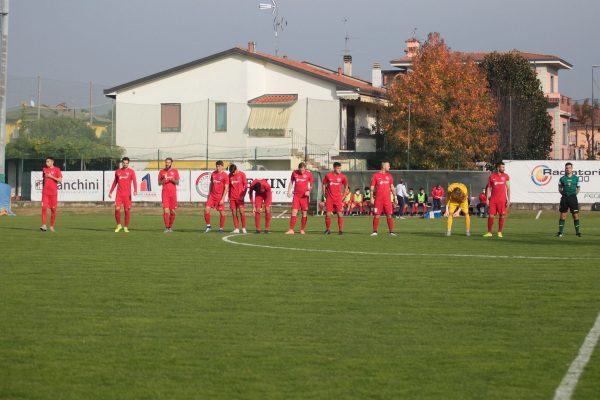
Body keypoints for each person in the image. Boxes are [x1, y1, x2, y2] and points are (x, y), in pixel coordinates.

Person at [108, 157, 138, 233]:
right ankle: (119, 225)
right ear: (122, 163)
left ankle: (126, 227)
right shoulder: (118, 171)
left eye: (126, 163)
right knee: (117, 209)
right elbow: (115, 182)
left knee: (127, 211)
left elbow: (134, 181)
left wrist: (135, 190)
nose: (125, 164)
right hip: (119, 195)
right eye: (124, 163)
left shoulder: (131, 172)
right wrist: (111, 191)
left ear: (128, 163)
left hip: (127, 195)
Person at [484, 162, 511, 238]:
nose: (504, 168)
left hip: (502, 200)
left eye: (504, 167)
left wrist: (509, 200)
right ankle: (489, 232)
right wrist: (487, 199)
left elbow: (508, 189)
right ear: (498, 168)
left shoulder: (506, 176)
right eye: (502, 167)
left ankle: (499, 232)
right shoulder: (491, 176)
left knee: (502, 215)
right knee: (491, 215)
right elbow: (489, 188)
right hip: (493, 200)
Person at [370, 161, 397, 236]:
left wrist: (395, 197)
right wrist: (371, 198)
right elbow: (372, 188)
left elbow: (392, 187)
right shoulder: (375, 175)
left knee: (389, 215)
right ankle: (375, 231)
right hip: (378, 200)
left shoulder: (389, 176)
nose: (389, 167)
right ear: (384, 166)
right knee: (377, 215)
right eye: (388, 165)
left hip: (387, 200)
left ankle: (391, 232)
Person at [286, 162, 314, 235]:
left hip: (304, 197)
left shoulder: (309, 174)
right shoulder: (294, 173)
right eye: (300, 170)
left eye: (303, 170)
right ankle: (291, 229)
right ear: (299, 169)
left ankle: (302, 229)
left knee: (304, 213)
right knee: (294, 211)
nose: (302, 171)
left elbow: (311, 185)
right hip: (296, 196)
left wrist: (309, 191)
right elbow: (291, 182)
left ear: (305, 169)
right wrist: (288, 191)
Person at [322, 162, 348, 235]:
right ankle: (327, 230)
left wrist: (344, 195)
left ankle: (340, 230)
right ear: (334, 168)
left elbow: (346, 186)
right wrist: (324, 193)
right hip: (330, 198)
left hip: (338, 199)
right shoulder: (328, 175)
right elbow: (324, 184)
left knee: (340, 214)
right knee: (328, 214)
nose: (339, 170)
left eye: (340, 168)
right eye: (338, 168)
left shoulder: (343, 176)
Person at [204, 160, 229, 234]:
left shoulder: (225, 175)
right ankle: (208, 226)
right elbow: (211, 183)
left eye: (219, 166)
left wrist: (223, 198)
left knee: (222, 213)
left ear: (222, 167)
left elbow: (226, 188)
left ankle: (221, 228)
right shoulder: (213, 174)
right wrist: (209, 194)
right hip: (212, 196)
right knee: (206, 210)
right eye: (217, 166)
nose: (218, 168)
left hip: (219, 197)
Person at [557, 162, 581, 237]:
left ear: (572, 169)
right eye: (567, 168)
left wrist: (574, 195)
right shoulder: (562, 178)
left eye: (569, 168)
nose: (568, 169)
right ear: (565, 169)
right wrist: (564, 195)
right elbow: (560, 188)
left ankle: (577, 233)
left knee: (575, 215)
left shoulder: (576, 178)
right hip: (564, 198)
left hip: (573, 198)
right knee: (563, 215)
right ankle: (560, 232)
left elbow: (578, 188)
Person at [40, 156, 63, 232]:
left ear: (52, 162)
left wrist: (51, 176)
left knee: (53, 210)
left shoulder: (57, 169)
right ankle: (44, 225)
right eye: (46, 161)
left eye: (48, 161)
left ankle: (52, 226)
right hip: (45, 193)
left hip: (53, 194)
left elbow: (60, 180)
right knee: (44, 208)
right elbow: (44, 179)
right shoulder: (44, 169)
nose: (46, 163)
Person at [158, 157, 179, 233]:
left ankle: (170, 227)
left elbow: (177, 182)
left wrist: (173, 180)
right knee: (166, 211)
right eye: (166, 162)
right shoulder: (161, 172)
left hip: (173, 194)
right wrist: (163, 180)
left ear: (171, 163)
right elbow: (159, 183)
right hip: (165, 193)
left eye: (169, 162)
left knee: (172, 211)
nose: (167, 164)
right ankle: (167, 228)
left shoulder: (175, 171)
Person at [228, 164, 248, 234]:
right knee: (234, 213)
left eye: (233, 172)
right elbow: (229, 187)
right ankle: (236, 228)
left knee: (242, 212)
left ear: (236, 169)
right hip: (232, 197)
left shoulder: (242, 174)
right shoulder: (229, 175)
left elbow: (246, 186)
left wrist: (243, 195)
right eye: (231, 172)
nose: (232, 174)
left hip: (240, 197)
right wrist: (228, 196)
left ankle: (243, 228)